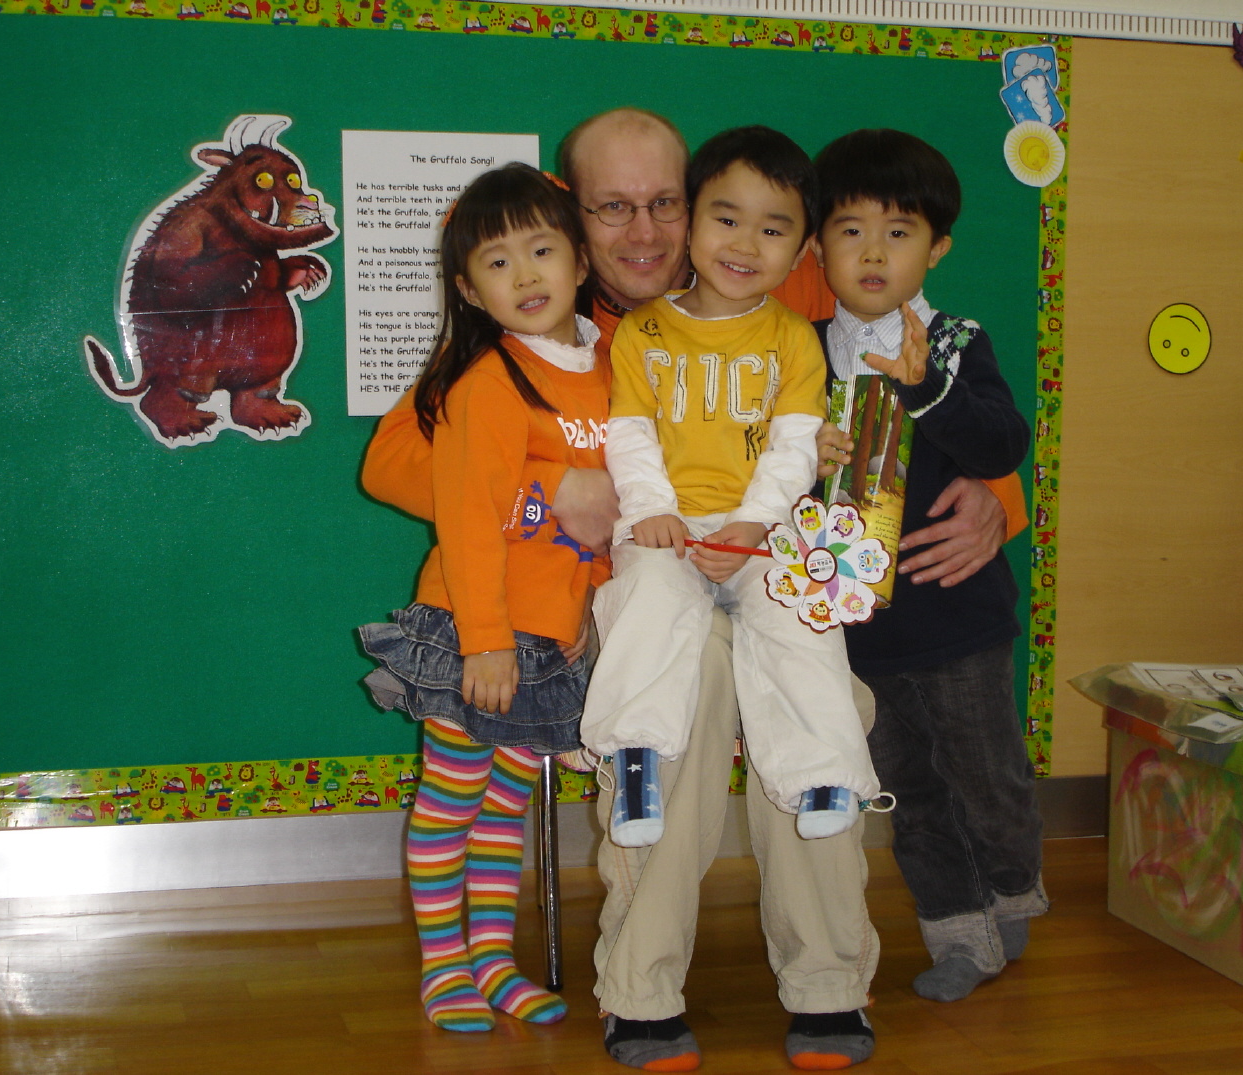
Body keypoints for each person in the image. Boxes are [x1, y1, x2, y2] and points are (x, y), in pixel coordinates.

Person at [360, 108, 1023, 1071]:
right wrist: (548, 488)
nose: (644, 231)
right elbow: (391, 462)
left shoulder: (774, 274)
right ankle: (640, 983)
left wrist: (1000, 495)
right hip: (631, 590)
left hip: (765, 564)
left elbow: (900, 369)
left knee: (818, 698)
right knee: (687, 691)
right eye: (612, 207)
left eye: (664, 203)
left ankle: (828, 977)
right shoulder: (547, 321)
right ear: (572, 216)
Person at [355, 163, 608, 1033]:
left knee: (506, 804)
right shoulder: (487, 380)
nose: (526, 274)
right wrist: (485, 639)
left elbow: (608, 517)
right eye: (498, 263)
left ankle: (494, 962)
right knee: (451, 797)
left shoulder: (609, 370)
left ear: (580, 260)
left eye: (542, 250)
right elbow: (467, 520)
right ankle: (444, 966)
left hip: (548, 637)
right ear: (468, 290)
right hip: (477, 631)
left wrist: (586, 614)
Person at [581, 125, 880, 852]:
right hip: (668, 523)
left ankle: (824, 775)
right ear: (691, 224)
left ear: (801, 251)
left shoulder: (793, 338)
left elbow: (794, 444)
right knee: (646, 601)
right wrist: (651, 509)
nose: (745, 245)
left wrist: (755, 523)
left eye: (772, 230)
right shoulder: (643, 331)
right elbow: (630, 433)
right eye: (726, 220)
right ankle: (636, 760)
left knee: (802, 621)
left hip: (759, 527)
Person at [810, 128, 1046, 1003]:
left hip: (958, 616)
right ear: (816, 246)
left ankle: (1012, 887)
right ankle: (956, 932)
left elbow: (1001, 442)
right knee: (906, 789)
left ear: (936, 247)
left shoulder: (953, 342)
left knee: (987, 775)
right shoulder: (797, 349)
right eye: (850, 230)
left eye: (899, 232)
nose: (873, 252)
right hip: (860, 630)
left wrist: (925, 392)